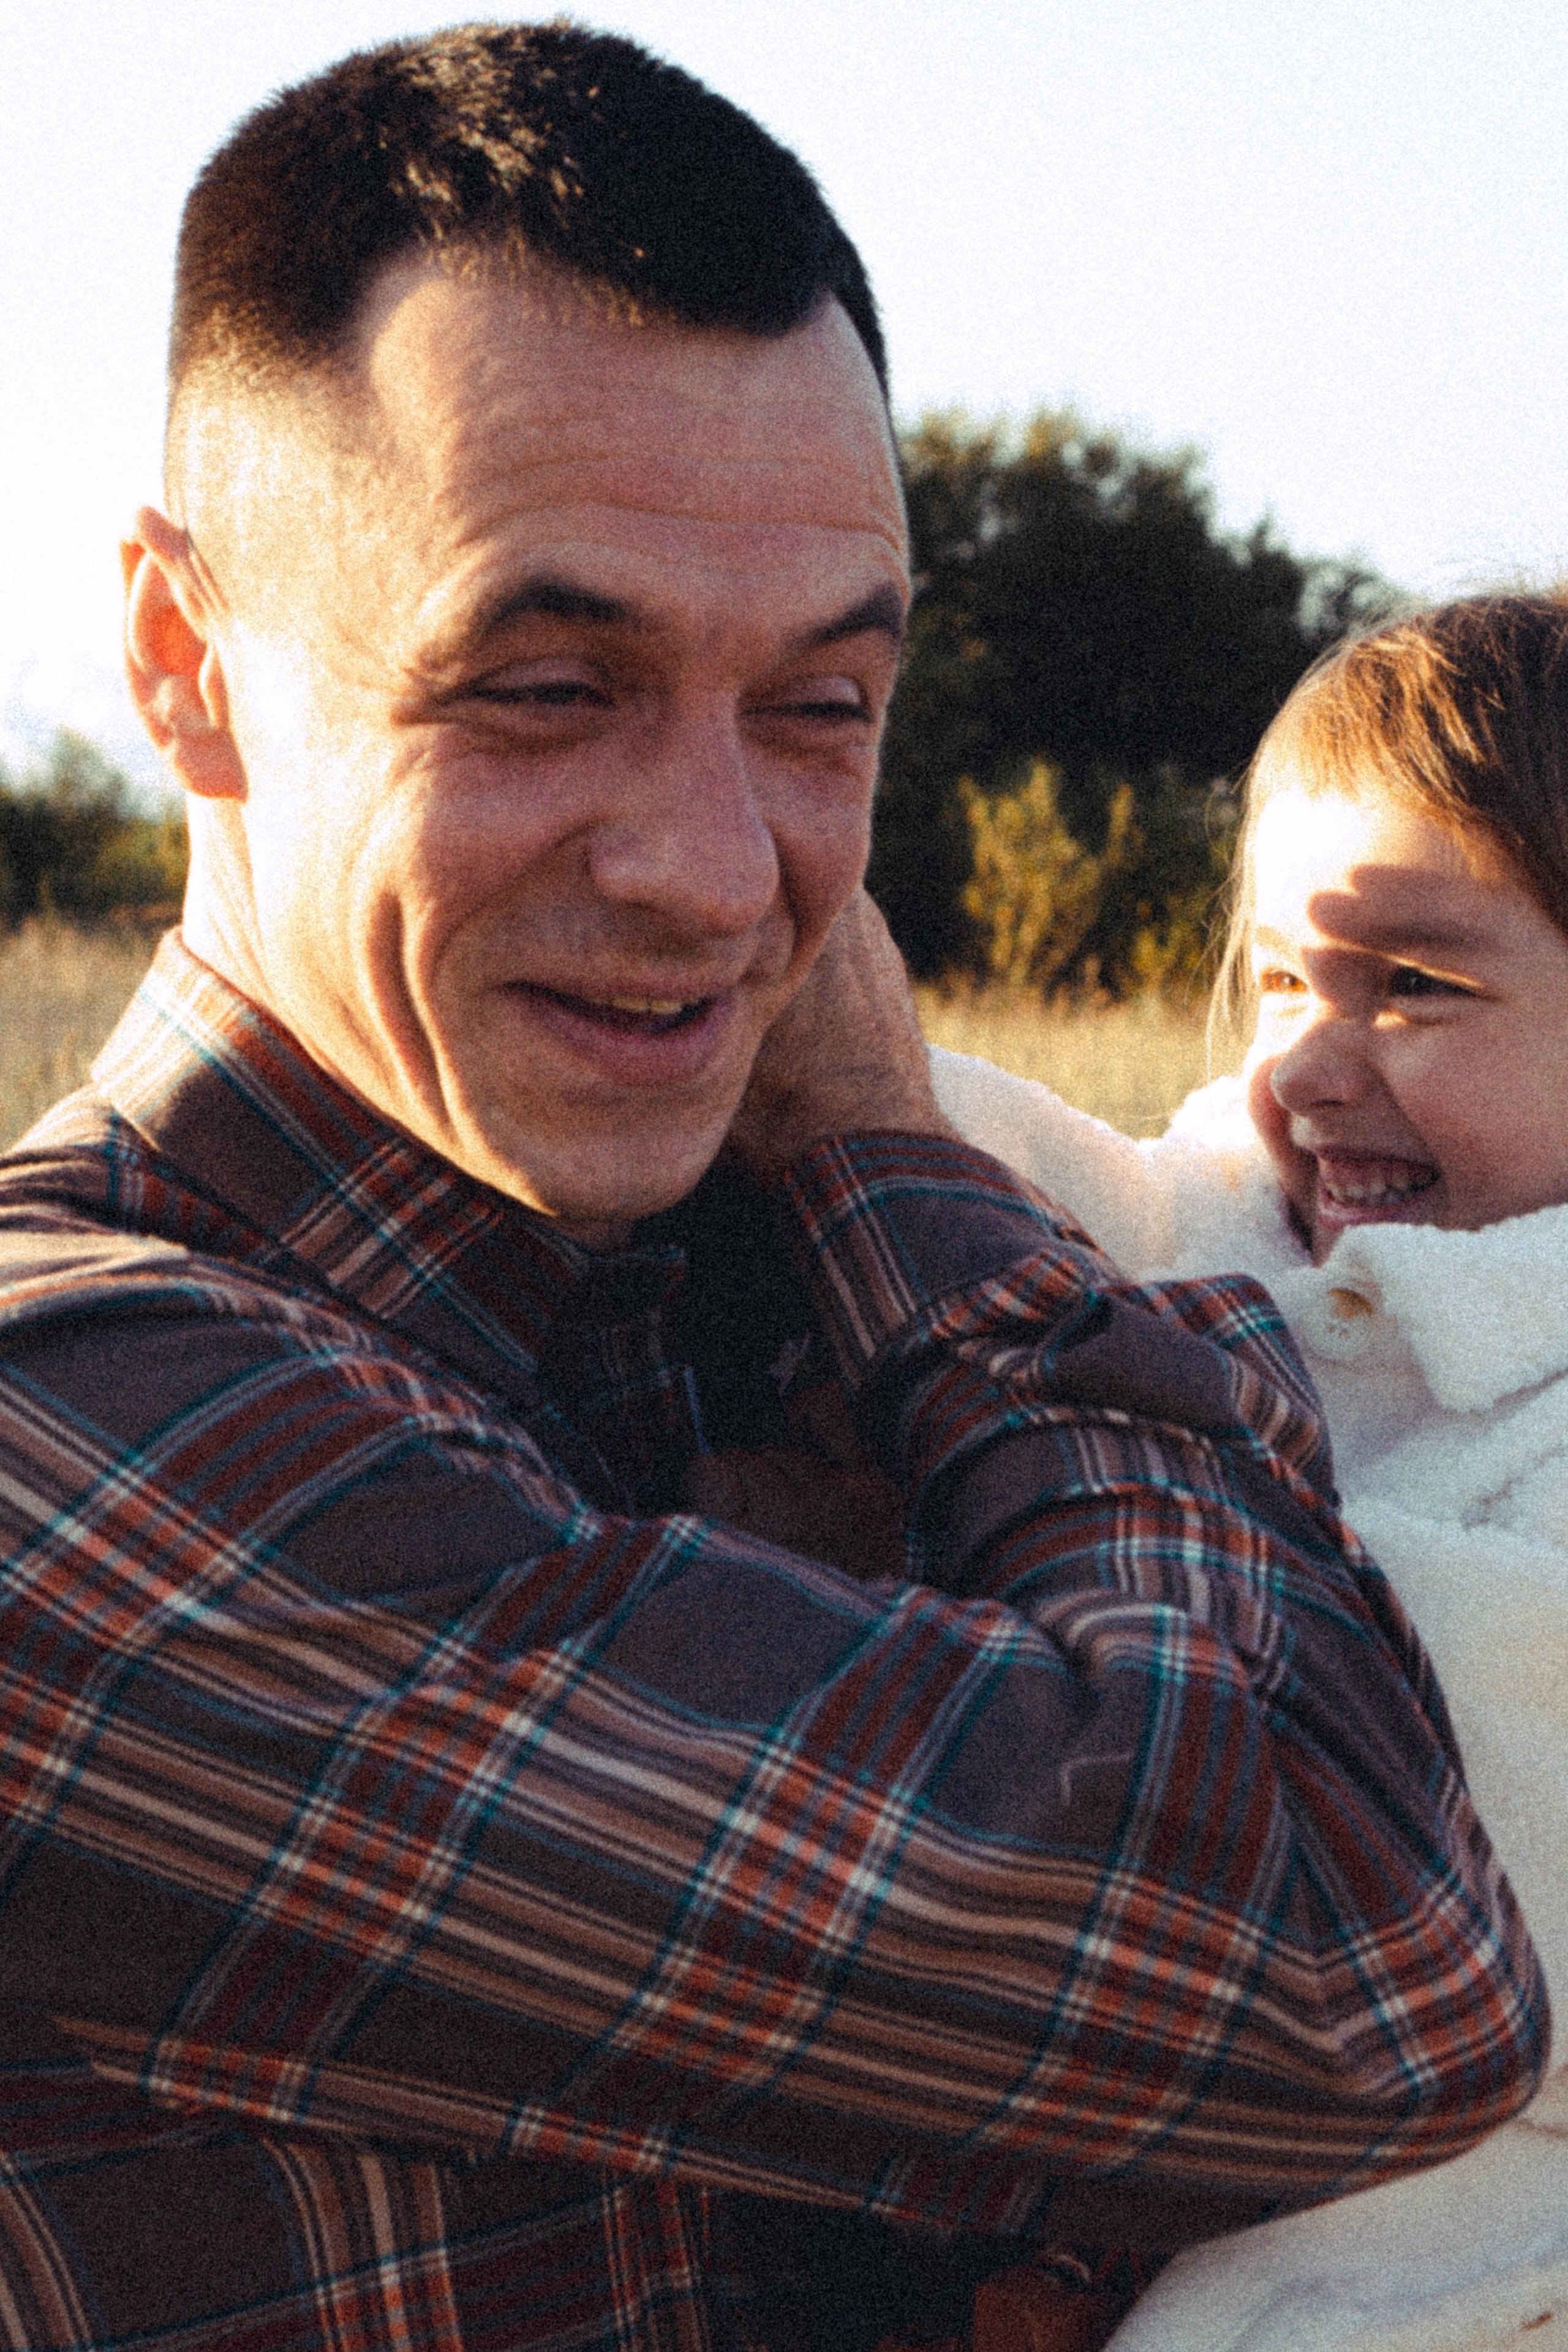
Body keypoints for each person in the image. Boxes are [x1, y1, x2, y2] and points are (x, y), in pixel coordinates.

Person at [0, 31, 1542, 2352]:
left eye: (820, 708)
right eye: (542, 686)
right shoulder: (66, 1446)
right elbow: (1348, 1958)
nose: (722, 877)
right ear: (181, 659)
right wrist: (895, 1163)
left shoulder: (761, 1295)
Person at [935, 595, 1568, 2348]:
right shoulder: (1253, 1222)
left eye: (1414, 987)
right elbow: (1068, 1200)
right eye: (1282, 975)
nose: (1304, 1057)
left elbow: (1465, 1791)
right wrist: (851, 1094)